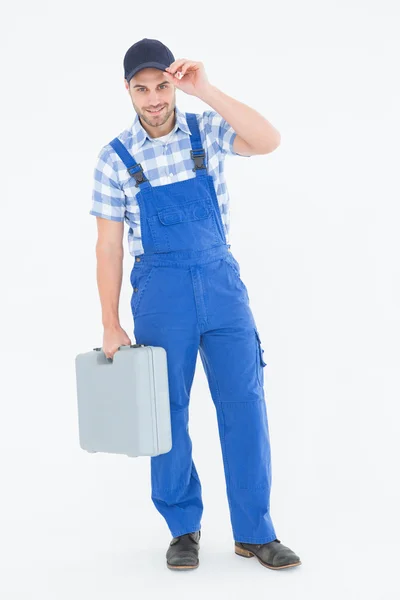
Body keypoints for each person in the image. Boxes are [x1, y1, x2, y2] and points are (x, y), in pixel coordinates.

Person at [90, 37, 301, 571]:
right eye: (143, 88)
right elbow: (109, 245)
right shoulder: (114, 158)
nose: (155, 98)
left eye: (163, 85)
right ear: (128, 91)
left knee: (245, 404)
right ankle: (183, 527)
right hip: (160, 294)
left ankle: (256, 531)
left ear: (174, 83)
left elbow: (269, 140)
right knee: (167, 412)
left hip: (222, 283)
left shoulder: (206, 129)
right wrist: (110, 321)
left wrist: (204, 89)